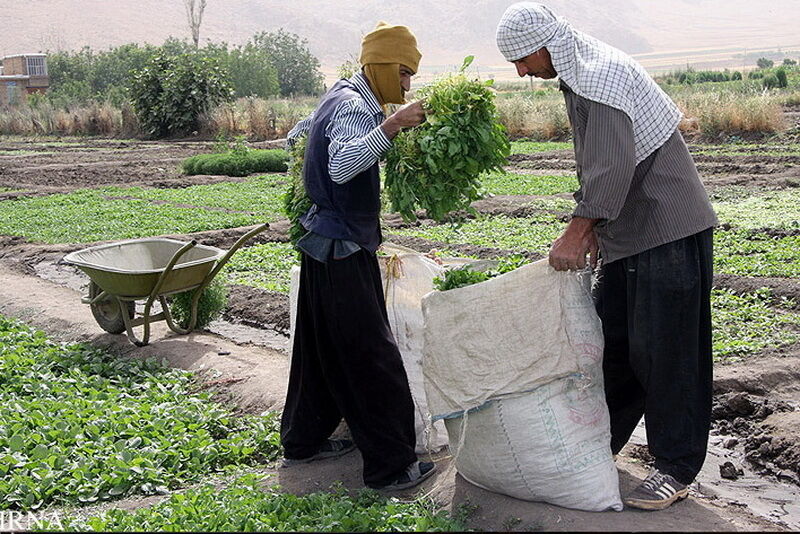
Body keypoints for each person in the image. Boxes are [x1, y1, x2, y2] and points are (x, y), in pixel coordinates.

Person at [496, 3, 718, 511]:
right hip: (630, 234)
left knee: (667, 355)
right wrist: (597, 227)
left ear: (548, 44)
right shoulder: (578, 75)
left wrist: (579, 230)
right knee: (612, 344)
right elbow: (601, 162)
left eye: (523, 60)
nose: (522, 72)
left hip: (666, 229)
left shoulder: (600, 76)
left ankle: (676, 468)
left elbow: (614, 167)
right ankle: (598, 446)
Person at [280, 21, 436, 491]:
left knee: (318, 349)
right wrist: (391, 126)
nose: (407, 85)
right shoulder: (355, 105)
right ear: (385, 66)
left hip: (322, 245)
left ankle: (302, 442)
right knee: (372, 356)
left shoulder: (340, 94)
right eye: (405, 73)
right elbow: (342, 165)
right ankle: (392, 468)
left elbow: (295, 137)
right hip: (343, 247)